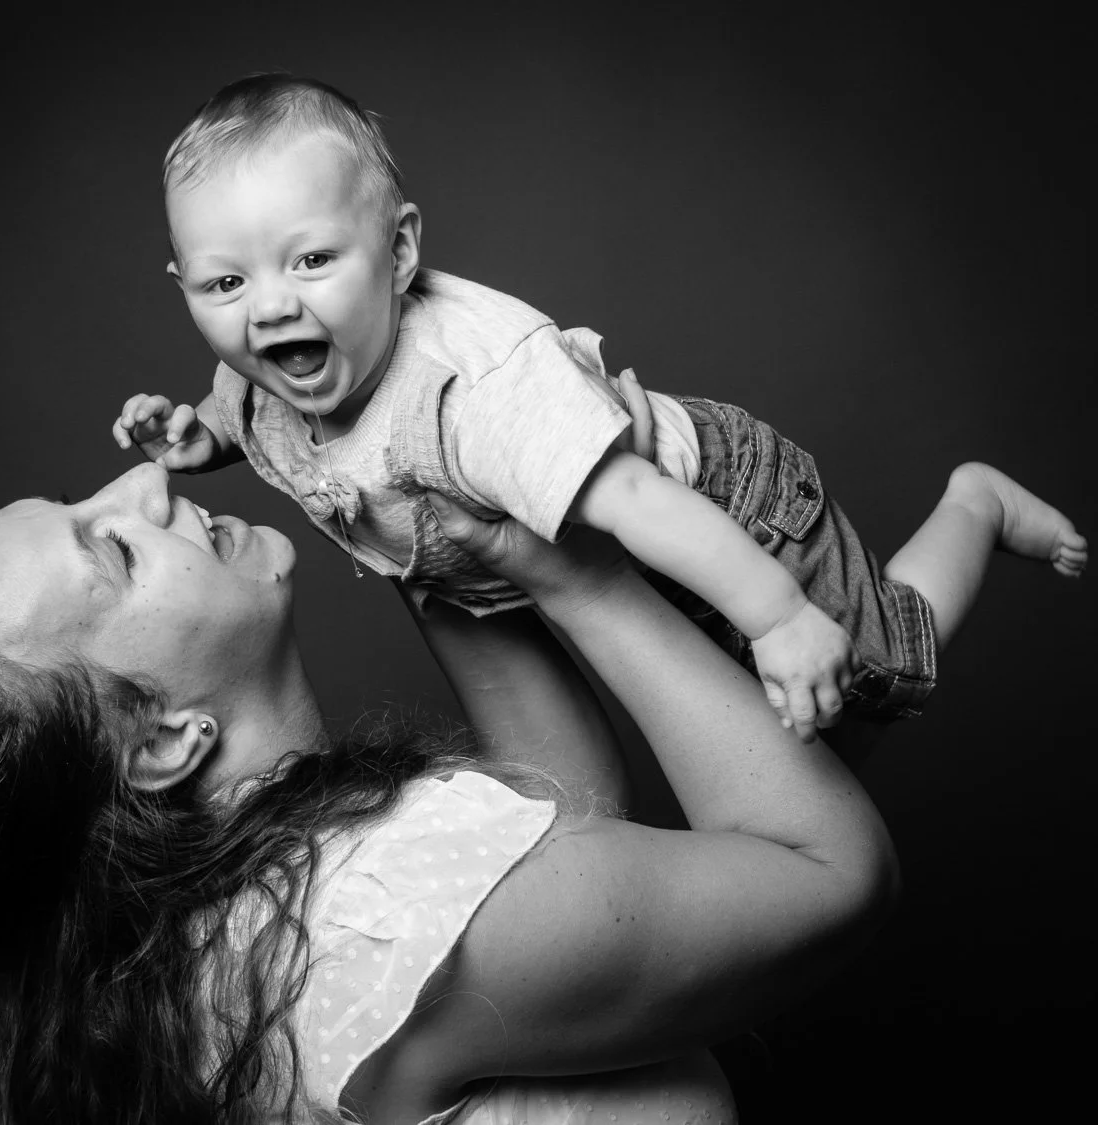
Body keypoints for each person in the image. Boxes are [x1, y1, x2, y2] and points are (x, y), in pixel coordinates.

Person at [0, 461, 900, 1123]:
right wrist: (586, 578)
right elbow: (834, 877)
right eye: (116, 552)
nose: (145, 486)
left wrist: (428, 547)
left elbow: (570, 842)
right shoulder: (377, 917)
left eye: (78, 498)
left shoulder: (184, 951)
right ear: (163, 740)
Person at [112, 73, 1087, 742]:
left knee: (878, 673)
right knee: (793, 730)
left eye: (312, 259)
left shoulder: (475, 393)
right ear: (183, 283)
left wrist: (781, 613)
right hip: (608, 558)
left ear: (399, 252)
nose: (269, 307)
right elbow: (250, 409)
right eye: (225, 282)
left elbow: (639, 502)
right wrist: (201, 438)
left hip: (720, 511)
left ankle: (978, 503)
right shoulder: (268, 370)